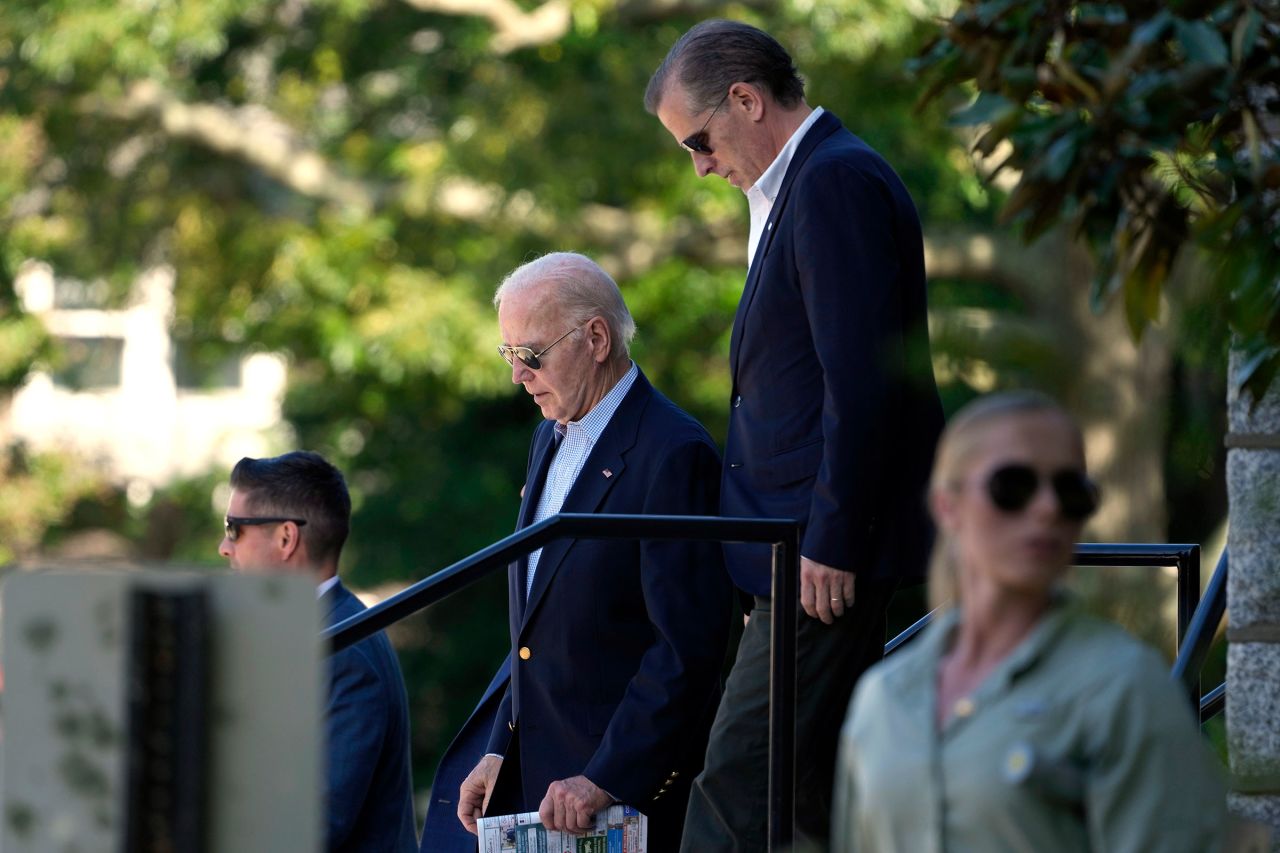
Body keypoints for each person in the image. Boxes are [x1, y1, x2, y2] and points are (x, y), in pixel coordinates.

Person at [645, 19, 944, 848]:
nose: (701, 165)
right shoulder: (805, 185)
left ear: (746, 99)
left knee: (735, 787)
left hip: (816, 560)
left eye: (699, 141)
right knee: (808, 798)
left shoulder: (832, 183)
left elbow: (864, 383)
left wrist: (832, 538)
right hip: (795, 554)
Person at [833, 391, 1227, 852]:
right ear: (947, 505)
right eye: (1013, 487)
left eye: (1071, 492)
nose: (1046, 509)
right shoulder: (881, 699)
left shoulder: (1125, 688)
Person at [455, 252, 733, 850]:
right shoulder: (547, 435)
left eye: (530, 355)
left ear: (597, 339)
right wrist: (501, 748)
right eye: (509, 356)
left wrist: (606, 778)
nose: (517, 376)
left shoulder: (674, 452)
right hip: (541, 790)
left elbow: (689, 648)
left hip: (618, 804)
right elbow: (538, 622)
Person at [218, 451, 418, 853]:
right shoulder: (314, 635)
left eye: (234, 529)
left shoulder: (345, 652)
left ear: (286, 538)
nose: (224, 547)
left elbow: (315, 826)